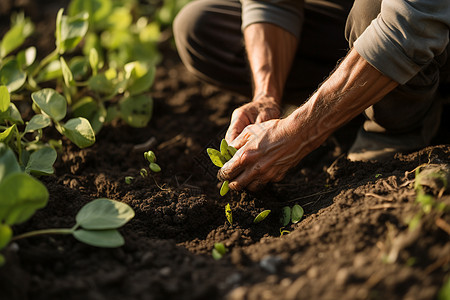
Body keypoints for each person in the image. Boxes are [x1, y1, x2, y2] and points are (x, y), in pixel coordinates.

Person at [173, 0, 450, 192]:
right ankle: (355, 100)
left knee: (372, 9)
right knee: (200, 25)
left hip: (427, 23)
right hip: (368, 19)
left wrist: (300, 132)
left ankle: (393, 131)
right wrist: (266, 97)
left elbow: (413, 23)